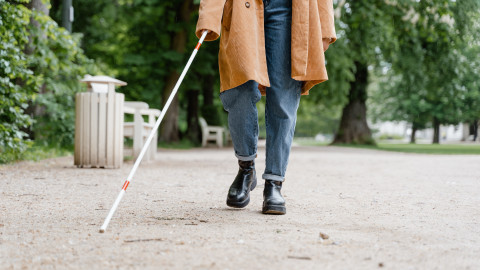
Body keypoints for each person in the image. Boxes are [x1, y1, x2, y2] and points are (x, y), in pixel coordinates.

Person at [196, 0, 336, 214]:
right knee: (239, 88)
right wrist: (208, 16)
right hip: (243, 9)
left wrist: (325, 26)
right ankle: (246, 167)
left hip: (288, 10)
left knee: (283, 98)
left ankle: (274, 183)